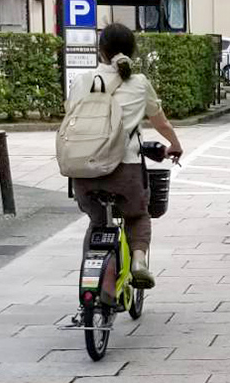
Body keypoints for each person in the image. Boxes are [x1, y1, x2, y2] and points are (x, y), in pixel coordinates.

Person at [67, 23, 183, 289]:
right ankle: (139, 261)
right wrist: (175, 145)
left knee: (97, 221)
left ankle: (90, 282)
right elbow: (161, 122)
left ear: (100, 51)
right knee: (137, 215)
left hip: (84, 174)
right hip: (126, 172)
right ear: (133, 50)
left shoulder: (83, 81)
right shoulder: (139, 83)